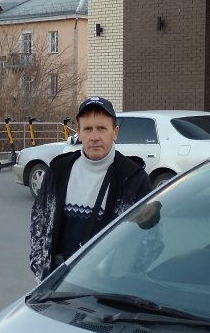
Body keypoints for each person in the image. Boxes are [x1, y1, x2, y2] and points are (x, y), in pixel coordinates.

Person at [29, 96, 152, 282]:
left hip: (107, 290)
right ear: (79, 132)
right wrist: (42, 274)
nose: (95, 137)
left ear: (115, 132)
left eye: (102, 128)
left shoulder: (134, 180)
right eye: (88, 129)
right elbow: (38, 225)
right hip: (59, 286)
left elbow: (149, 241)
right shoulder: (58, 171)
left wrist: (122, 281)